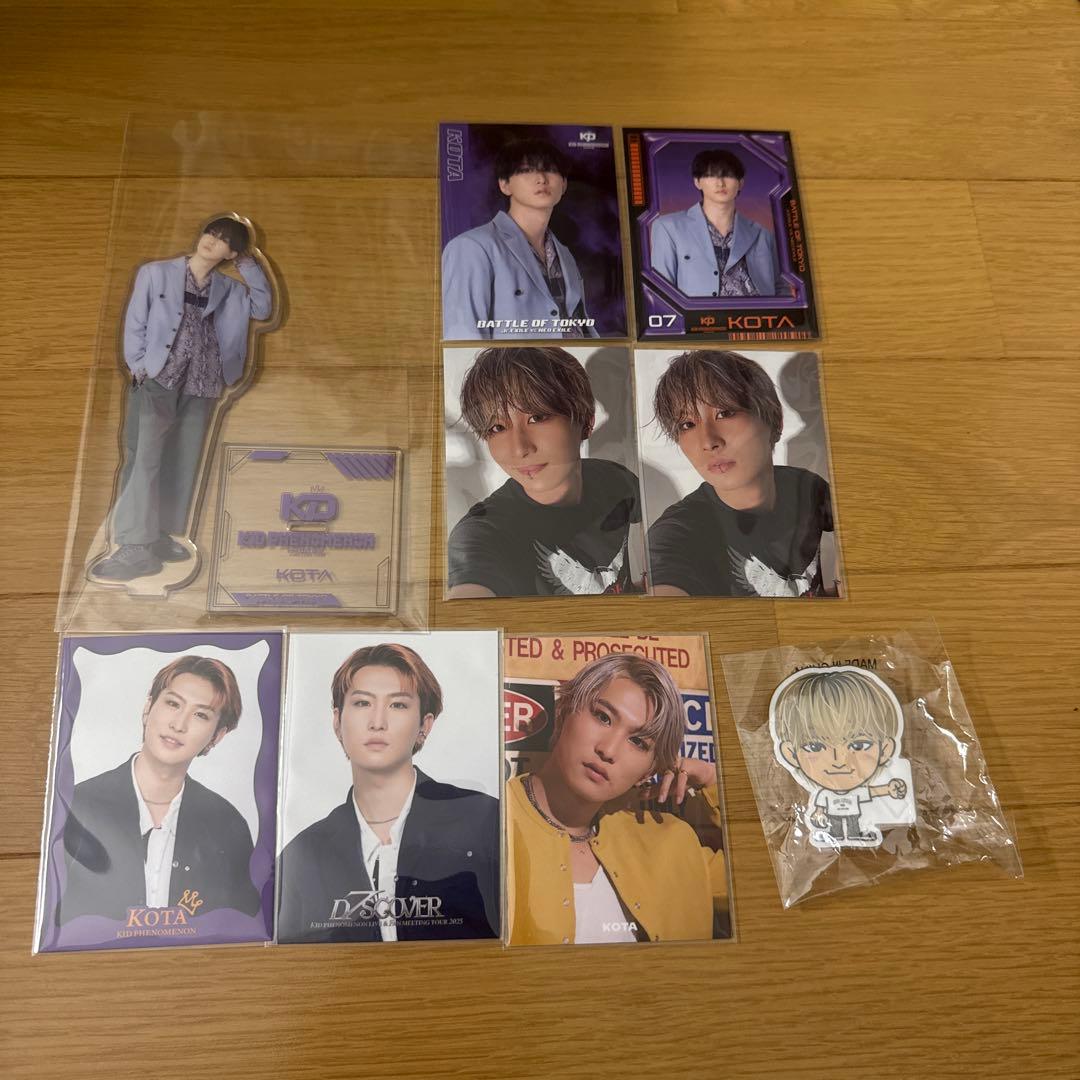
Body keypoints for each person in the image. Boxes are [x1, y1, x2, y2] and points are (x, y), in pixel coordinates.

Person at [277, 643, 499, 943]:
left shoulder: (484, 821)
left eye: (398, 705)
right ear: (337, 722)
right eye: (362, 703)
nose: (377, 722)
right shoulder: (302, 855)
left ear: (424, 725)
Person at [93, 215, 274, 582]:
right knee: (144, 458)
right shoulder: (155, 273)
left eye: (224, 240)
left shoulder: (229, 288)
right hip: (159, 377)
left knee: (182, 460)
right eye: (211, 233)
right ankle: (133, 544)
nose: (212, 241)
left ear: (231, 253)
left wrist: (247, 262)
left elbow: (263, 308)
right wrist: (138, 366)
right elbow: (136, 320)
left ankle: (159, 535)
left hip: (202, 383)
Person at [506, 653, 728, 945]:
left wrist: (712, 780)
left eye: (638, 742)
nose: (608, 750)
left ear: (649, 770)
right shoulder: (488, 821)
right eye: (603, 717)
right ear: (564, 711)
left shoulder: (672, 843)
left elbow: (778, 880)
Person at [58, 655, 259, 923]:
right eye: (173, 703)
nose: (179, 724)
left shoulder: (228, 827)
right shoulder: (76, 805)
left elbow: (240, 923)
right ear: (148, 707)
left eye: (200, 715)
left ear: (217, 736)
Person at [447, 346, 642, 597]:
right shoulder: (483, 532)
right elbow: (471, 591)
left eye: (537, 417)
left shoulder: (616, 480)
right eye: (497, 428)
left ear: (585, 420)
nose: (519, 449)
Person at [647, 349, 834, 597]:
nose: (708, 442)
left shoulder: (806, 487)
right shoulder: (677, 533)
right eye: (687, 424)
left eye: (725, 413)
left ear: (773, 420)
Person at [442, 138, 598, 340]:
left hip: (576, 359)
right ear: (505, 184)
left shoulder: (565, 255)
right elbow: (462, 338)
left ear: (564, 184)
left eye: (551, 170)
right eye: (527, 170)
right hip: (516, 362)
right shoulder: (472, 248)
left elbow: (581, 325)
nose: (541, 178)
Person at [772, 667, 908, 847]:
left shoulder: (857, 791)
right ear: (791, 754)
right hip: (831, 822)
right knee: (835, 827)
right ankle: (833, 835)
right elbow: (820, 807)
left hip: (858, 819)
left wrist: (889, 789)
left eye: (858, 745)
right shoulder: (824, 794)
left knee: (853, 824)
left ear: (885, 750)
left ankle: (854, 834)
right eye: (815, 746)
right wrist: (818, 814)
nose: (838, 761)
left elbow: (872, 792)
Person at [649, 148, 783, 299]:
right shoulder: (668, 228)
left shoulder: (762, 234)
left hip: (760, 312)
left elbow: (780, 287)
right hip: (703, 314)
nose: (720, 183)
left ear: (740, 183)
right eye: (711, 175)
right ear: (697, 182)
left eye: (728, 175)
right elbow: (661, 293)